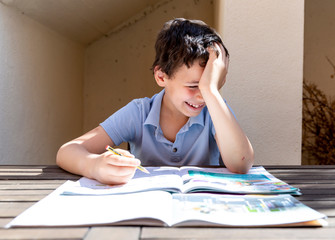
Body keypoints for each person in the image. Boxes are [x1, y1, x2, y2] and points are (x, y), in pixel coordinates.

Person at [56, 18, 254, 185]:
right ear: (161, 77)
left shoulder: (215, 109)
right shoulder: (138, 112)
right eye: (194, 86)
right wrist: (95, 165)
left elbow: (241, 163)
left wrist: (211, 91)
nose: (202, 96)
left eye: (211, 84)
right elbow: (67, 151)